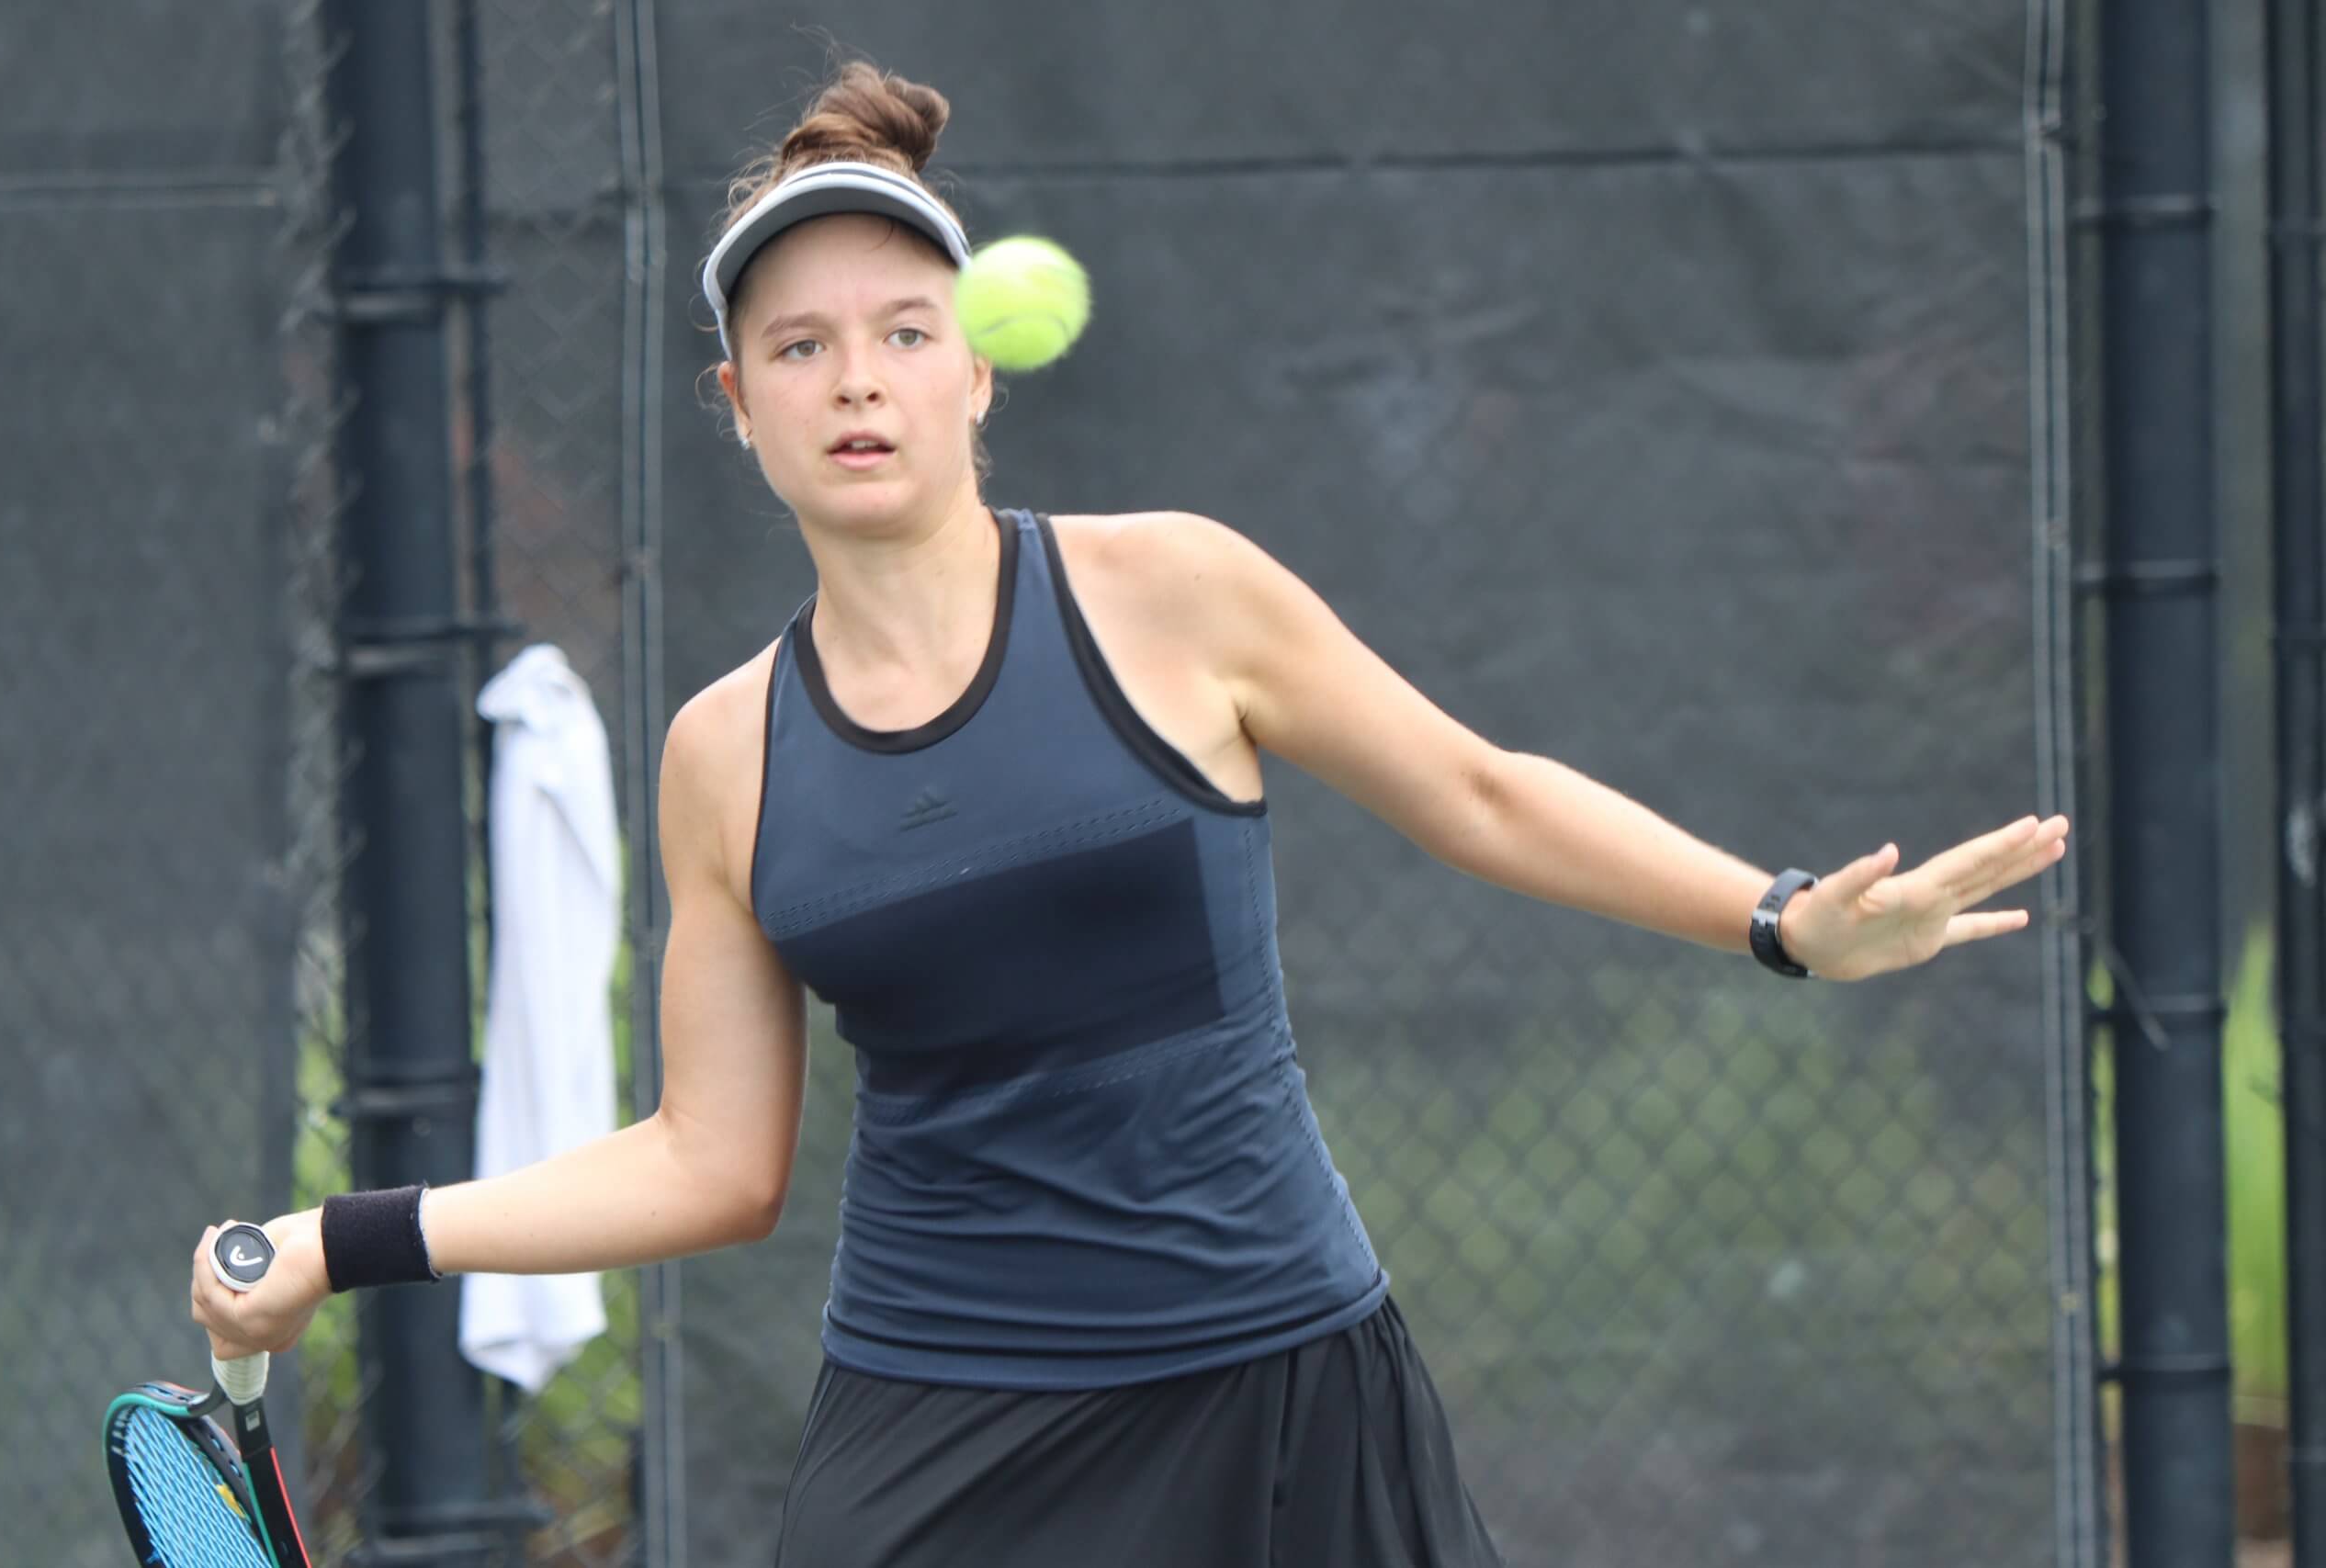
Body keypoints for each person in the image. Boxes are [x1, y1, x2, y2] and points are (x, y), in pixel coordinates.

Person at [191, 61, 2072, 1568]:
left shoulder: (1174, 591)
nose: (855, 376)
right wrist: (342, 1234)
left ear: (973, 368)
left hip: (1282, 1388)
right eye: (798, 346)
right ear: (737, 408)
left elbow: (1478, 791)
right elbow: (711, 1159)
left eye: (901, 331)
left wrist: (1777, 912)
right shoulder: (724, 750)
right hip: (943, 1414)